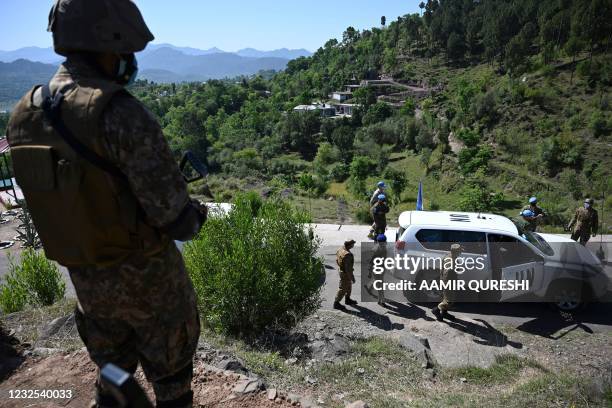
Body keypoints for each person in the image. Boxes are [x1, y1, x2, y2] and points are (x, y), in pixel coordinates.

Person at [7, 1, 206, 407]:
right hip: (153, 290)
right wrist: (196, 213)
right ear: (106, 43)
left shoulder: (23, 115)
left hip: (89, 287)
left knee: (113, 369)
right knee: (173, 382)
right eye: (123, 52)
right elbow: (175, 219)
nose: (128, 61)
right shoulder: (119, 113)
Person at [431, 244, 462, 322]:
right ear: (457, 252)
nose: (461, 252)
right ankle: (436, 310)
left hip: (445, 281)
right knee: (449, 301)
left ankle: (444, 313)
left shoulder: (449, 256)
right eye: (460, 251)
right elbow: (447, 273)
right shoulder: (450, 261)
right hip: (448, 282)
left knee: (445, 298)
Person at [334, 239, 358, 310]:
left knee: (348, 286)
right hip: (345, 273)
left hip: (342, 270)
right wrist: (352, 277)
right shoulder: (347, 255)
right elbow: (348, 269)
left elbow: (337, 259)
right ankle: (336, 303)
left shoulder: (341, 249)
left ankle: (348, 299)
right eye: (353, 244)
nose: (353, 245)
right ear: (350, 245)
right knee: (343, 288)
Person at [366, 234, 388, 306]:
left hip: (382, 268)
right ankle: (382, 301)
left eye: (384, 242)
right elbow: (370, 262)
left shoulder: (384, 247)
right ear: (378, 242)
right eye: (381, 243)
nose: (383, 244)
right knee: (380, 286)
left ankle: (370, 289)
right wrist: (369, 272)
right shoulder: (375, 250)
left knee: (379, 283)